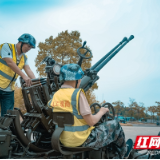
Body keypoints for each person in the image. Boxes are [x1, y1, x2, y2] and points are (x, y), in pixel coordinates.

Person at [48, 63, 133, 159]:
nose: (80, 81)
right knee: (115, 125)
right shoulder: (77, 94)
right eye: (80, 78)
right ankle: (123, 153)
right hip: (81, 140)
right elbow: (91, 122)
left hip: (63, 139)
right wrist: (101, 111)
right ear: (76, 80)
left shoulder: (56, 95)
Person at [0, 33, 36, 117]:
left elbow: (28, 69)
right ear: (21, 42)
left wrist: (37, 81)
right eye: (28, 46)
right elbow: (10, 62)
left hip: (9, 90)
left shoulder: (24, 57)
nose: (29, 49)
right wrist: (24, 76)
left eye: (31, 47)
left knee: (7, 117)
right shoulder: (6, 47)